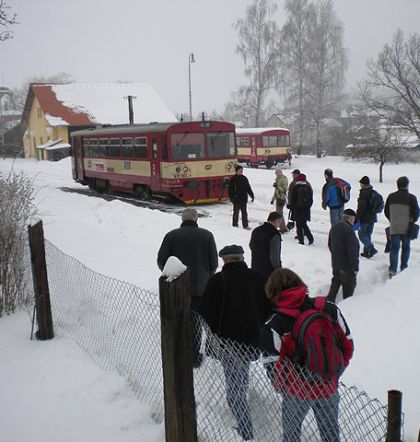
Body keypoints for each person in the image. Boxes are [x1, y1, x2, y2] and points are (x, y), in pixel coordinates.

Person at [260, 268, 354, 442]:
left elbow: (273, 364)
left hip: (297, 389)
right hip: (328, 385)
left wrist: (284, 386)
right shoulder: (329, 308)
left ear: (272, 292)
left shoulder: (275, 321)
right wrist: (332, 372)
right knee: (331, 433)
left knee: (291, 434)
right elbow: (348, 344)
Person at [201, 245, 270, 441]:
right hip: (253, 342)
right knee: (240, 381)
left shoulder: (217, 281)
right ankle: (244, 424)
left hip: (228, 345)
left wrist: (216, 333)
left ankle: (246, 432)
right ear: (241, 258)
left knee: (235, 393)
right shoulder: (259, 277)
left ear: (225, 260)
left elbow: (206, 313)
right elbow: (270, 307)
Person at [157, 208, 218, 367]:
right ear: (196, 219)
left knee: (178, 319)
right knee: (198, 323)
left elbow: (161, 260)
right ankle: (195, 355)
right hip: (200, 289)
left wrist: (174, 277)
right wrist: (205, 277)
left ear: (182, 220)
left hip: (177, 288)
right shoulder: (207, 236)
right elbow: (214, 264)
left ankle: (177, 352)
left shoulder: (171, 236)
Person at [384, 176, 419, 279]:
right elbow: (417, 214)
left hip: (394, 226)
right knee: (406, 247)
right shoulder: (412, 198)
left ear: (397, 185)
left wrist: (392, 219)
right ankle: (404, 268)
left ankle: (392, 270)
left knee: (394, 248)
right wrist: (412, 220)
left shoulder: (391, 196)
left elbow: (386, 211)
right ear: (407, 185)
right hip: (407, 227)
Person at [326, 208, 360, 303]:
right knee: (348, 290)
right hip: (347, 267)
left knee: (336, 282)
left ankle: (329, 302)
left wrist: (336, 256)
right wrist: (355, 268)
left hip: (336, 263)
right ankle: (346, 307)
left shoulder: (334, 227)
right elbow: (353, 252)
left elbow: (330, 244)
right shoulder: (349, 231)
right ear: (351, 219)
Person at [249, 212, 283, 278]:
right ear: (276, 221)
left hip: (255, 265)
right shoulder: (274, 234)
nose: (279, 225)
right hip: (268, 270)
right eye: (280, 222)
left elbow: (251, 245)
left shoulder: (256, 230)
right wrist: (278, 269)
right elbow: (274, 256)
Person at [288, 173, 314, 245]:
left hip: (297, 209)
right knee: (304, 224)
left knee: (299, 226)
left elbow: (293, 199)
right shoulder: (308, 187)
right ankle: (310, 238)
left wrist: (291, 206)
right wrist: (308, 206)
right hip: (306, 209)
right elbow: (311, 199)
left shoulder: (295, 187)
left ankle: (301, 241)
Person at [356, 176, 378, 259]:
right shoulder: (372, 192)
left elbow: (361, 208)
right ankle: (367, 252)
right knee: (368, 235)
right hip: (373, 217)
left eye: (361, 183)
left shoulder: (364, 193)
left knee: (361, 235)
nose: (360, 185)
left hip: (365, 218)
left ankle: (371, 248)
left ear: (363, 184)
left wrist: (357, 217)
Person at [228, 164, 254, 230]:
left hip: (243, 198)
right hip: (236, 199)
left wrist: (251, 195)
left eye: (242, 170)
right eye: (240, 170)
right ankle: (235, 224)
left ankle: (245, 225)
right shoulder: (233, 179)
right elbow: (230, 190)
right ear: (236, 171)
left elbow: (248, 188)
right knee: (236, 212)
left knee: (244, 213)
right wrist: (232, 198)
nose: (241, 171)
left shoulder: (244, 178)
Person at [271, 166, 289, 233]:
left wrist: (277, 186)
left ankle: (283, 228)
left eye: (277, 172)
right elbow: (276, 191)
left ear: (280, 172)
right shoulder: (277, 179)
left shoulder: (284, 179)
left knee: (279, 214)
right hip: (278, 198)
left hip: (282, 198)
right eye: (275, 173)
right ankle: (282, 228)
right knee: (279, 214)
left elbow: (284, 190)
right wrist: (273, 199)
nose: (276, 174)